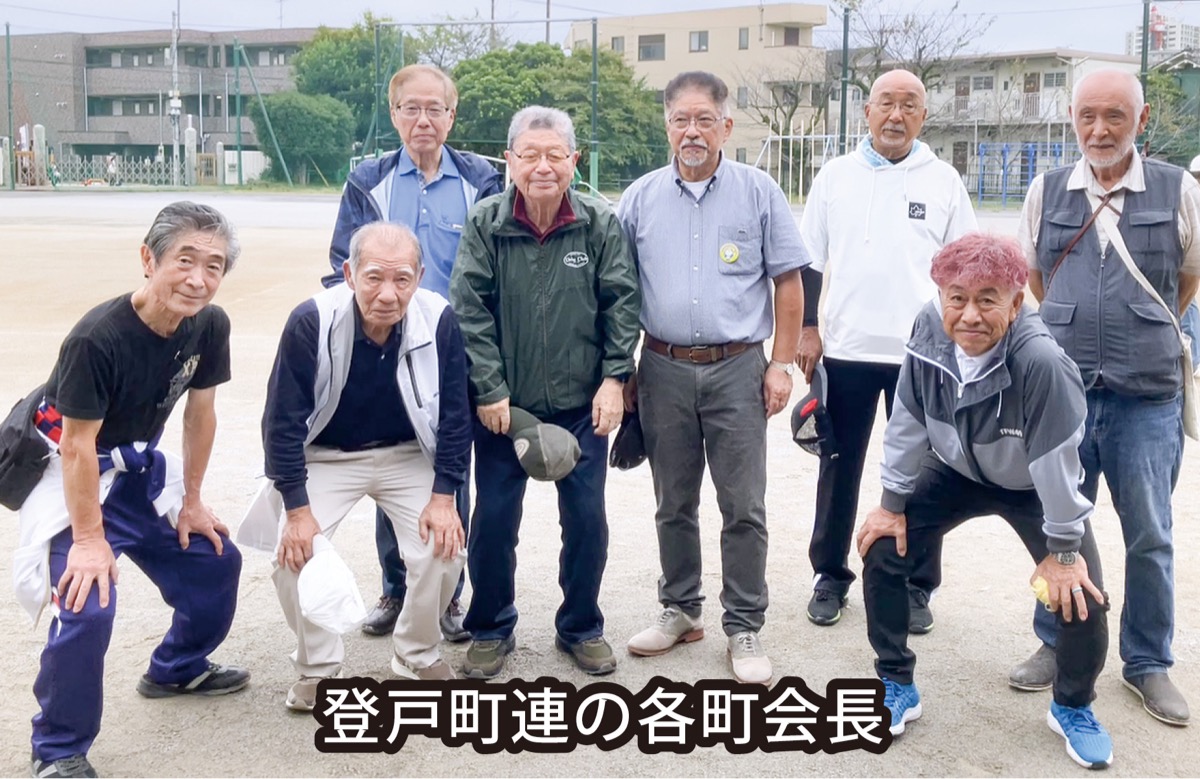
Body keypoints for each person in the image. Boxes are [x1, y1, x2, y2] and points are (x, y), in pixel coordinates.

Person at [857, 233, 1113, 769]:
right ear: (941, 297)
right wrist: (891, 503)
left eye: (988, 299)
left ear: (1016, 304)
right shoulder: (928, 330)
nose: (969, 315)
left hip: (1030, 483)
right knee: (881, 545)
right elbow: (907, 419)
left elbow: (1057, 465)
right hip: (953, 469)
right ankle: (896, 683)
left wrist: (1064, 552)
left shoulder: (1041, 362)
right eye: (957, 298)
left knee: (1082, 593)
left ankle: (1072, 707)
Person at [14, 202, 248, 779]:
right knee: (86, 601)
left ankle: (177, 668)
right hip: (77, 478)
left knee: (215, 559)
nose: (198, 279)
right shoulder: (97, 338)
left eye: (214, 266)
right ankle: (58, 749)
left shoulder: (209, 324)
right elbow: (75, 447)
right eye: (185, 260)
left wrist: (193, 501)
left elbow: (200, 413)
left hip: (138, 473)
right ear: (149, 258)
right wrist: (89, 541)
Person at [1014, 68, 1199, 726]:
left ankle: (1147, 661)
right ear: (1073, 120)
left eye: (1115, 116)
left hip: (1146, 397)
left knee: (1149, 533)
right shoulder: (1046, 190)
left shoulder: (1180, 190)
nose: (1099, 129)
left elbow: (1188, 276)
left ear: (1140, 122)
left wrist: (1137, 326)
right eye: (1087, 116)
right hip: (1065, 394)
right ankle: (1055, 640)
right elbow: (1036, 277)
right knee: (1057, 528)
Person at [618, 71, 806, 685]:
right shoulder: (639, 199)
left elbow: (788, 281)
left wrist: (780, 364)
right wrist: (622, 371)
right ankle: (680, 608)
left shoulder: (759, 192)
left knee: (743, 504)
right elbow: (618, 292)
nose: (692, 132)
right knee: (673, 501)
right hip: (662, 367)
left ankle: (744, 625)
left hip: (738, 368)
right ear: (666, 125)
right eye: (681, 120)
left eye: (704, 119)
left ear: (726, 125)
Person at [450, 106, 640, 679]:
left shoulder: (598, 223)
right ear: (508, 161)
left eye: (555, 155)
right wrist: (490, 389)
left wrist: (614, 380)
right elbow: (469, 310)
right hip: (505, 409)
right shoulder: (486, 222)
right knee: (493, 520)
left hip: (583, 406)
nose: (542, 166)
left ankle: (581, 626)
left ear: (573, 161)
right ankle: (490, 627)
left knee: (586, 519)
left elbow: (622, 303)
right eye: (529, 155)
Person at [252, 222, 471, 709]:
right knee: (294, 555)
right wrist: (296, 511)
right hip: (327, 454)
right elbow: (281, 423)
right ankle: (317, 667)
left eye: (401, 279)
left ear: (419, 278)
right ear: (349, 274)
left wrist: (444, 497)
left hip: (407, 452)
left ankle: (416, 652)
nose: (388, 294)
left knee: (444, 548)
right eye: (374, 277)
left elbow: (457, 414)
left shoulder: (438, 318)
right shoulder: (312, 320)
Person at [324, 64, 502, 641]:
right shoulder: (368, 180)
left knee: (453, 470)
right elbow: (341, 265)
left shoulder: (482, 180)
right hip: (389, 347)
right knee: (393, 462)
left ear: (452, 115)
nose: (423, 120)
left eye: (435, 109)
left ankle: (448, 595)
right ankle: (396, 587)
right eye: (411, 108)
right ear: (394, 113)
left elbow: (499, 267)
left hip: (459, 348)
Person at [798, 69, 977, 633]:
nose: (896, 115)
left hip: (922, 356)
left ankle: (916, 584)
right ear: (867, 112)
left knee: (923, 474)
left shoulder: (943, 180)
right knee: (838, 467)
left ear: (923, 116)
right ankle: (830, 576)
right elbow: (810, 261)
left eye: (909, 105)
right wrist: (808, 327)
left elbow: (966, 267)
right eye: (886, 104)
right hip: (846, 350)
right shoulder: (835, 176)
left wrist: (960, 342)